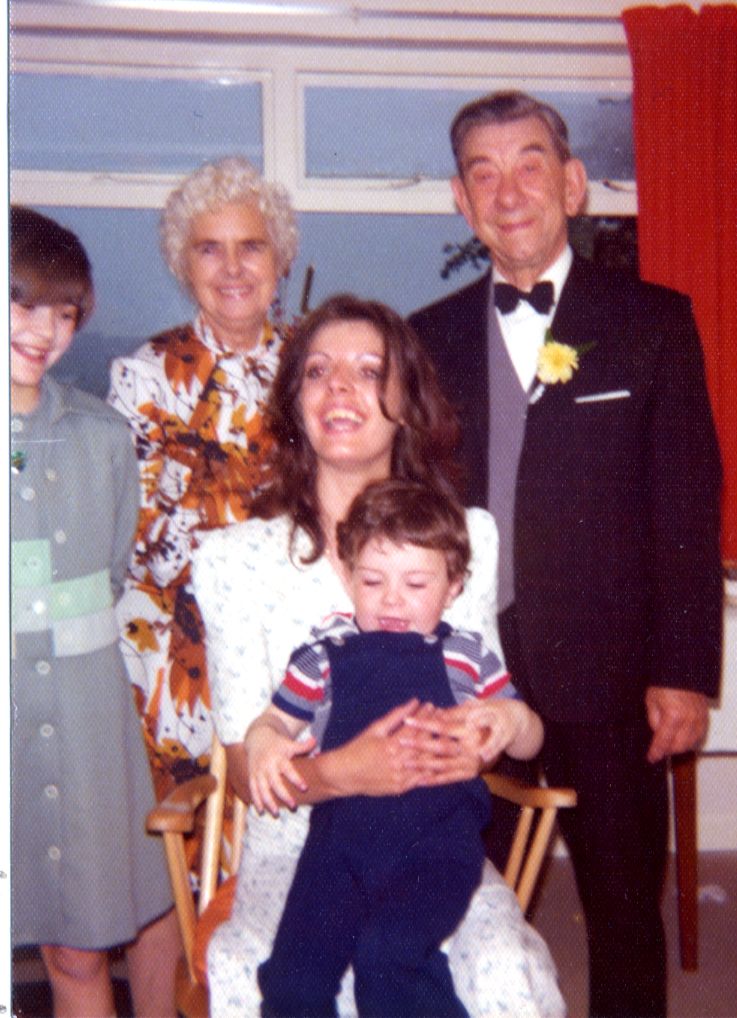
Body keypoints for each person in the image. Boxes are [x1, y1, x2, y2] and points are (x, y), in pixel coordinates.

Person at [408, 90, 723, 1018]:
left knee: (623, 908)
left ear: (574, 184)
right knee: (463, 902)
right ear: (460, 202)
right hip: (470, 672)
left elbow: (685, 503)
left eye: (531, 162)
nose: (509, 191)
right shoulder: (423, 339)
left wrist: (682, 671)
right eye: (482, 171)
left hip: (615, 670)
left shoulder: (653, 321)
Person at [192, 293, 565, 1018]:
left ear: (407, 401)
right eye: (317, 372)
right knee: (258, 969)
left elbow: (494, 707)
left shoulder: (465, 537)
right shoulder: (235, 559)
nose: (339, 389)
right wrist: (338, 772)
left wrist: (485, 734)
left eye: (369, 371)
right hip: (301, 842)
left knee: (504, 964)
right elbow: (245, 765)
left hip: (433, 833)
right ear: (293, 402)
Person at [250, 478, 544, 1017]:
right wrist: (264, 744)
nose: (391, 599)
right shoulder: (323, 655)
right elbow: (272, 721)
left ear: (453, 586)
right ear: (346, 574)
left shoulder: (464, 656)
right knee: (292, 976)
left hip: (435, 848)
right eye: (372, 580)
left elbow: (530, 741)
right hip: (339, 848)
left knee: (388, 956)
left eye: (415, 583)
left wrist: (511, 717)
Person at [107, 156, 298, 873]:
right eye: (208, 247)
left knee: (285, 850)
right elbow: (136, 538)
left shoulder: (313, 366)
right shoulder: (146, 374)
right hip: (174, 650)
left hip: (288, 639)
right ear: (183, 264)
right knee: (181, 860)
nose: (232, 267)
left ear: (278, 258)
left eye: (250, 245)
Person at [10, 205, 177, 1017]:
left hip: (81, 723)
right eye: (22, 302)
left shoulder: (104, 437)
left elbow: (107, 571)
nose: (43, 331)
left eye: (65, 312)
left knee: (78, 948)